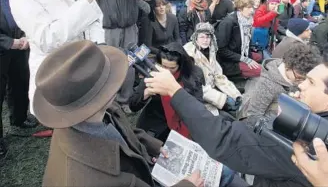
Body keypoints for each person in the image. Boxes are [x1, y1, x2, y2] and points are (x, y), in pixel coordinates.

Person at [144, 53, 328, 187]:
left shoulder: (312, 144)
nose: (301, 85)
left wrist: (175, 91)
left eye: (311, 83)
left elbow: (227, 139)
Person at [34, 40, 202, 187]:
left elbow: (123, 132)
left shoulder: (98, 113)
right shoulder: (93, 179)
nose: (118, 80)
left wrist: (154, 146)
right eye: (111, 77)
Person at [129, 42, 204, 141]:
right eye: (164, 67)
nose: (167, 72)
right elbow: (133, 105)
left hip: (184, 120)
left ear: (181, 65)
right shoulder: (154, 73)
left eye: (172, 68)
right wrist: (147, 93)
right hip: (157, 121)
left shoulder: (193, 75)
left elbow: (198, 105)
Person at [0, 0, 36, 158]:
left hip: (19, 44)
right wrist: (8, 42)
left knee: (20, 82)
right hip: (5, 46)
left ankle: (20, 118)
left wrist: (24, 36)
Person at [241, 42, 321, 125]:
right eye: (299, 78)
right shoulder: (267, 84)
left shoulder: (292, 73)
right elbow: (253, 117)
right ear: (287, 66)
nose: (301, 83)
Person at [184, 23, 242, 115]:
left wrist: (235, 94)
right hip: (196, 96)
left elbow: (218, 76)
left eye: (208, 37)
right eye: (202, 37)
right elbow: (196, 86)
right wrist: (223, 100)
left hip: (211, 90)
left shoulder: (211, 50)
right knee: (218, 119)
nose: (205, 40)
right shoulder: (189, 54)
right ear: (195, 37)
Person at [215, 0, 262, 78]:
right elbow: (221, 50)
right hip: (228, 61)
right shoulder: (228, 23)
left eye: (252, 8)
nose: (252, 11)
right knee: (260, 71)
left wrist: (248, 57)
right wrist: (244, 59)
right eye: (248, 8)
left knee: (259, 57)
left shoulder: (248, 20)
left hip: (239, 52)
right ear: (240, 8)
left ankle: (246, 70)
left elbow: (246, 43)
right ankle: (237, 75)